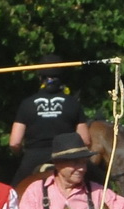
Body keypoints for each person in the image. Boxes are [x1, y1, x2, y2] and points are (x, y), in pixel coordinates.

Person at [10, 54, 91, 183]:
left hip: (33, 158)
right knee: (99, 187)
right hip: (66, 157)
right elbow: (86, 141)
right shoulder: (73, 103)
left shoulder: (27, 104)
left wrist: (20, 155)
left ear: (40, 77)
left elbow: (14, 142)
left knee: (13, 195)